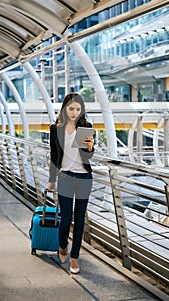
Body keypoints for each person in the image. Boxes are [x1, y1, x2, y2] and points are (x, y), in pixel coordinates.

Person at [47, 93, 94, 274]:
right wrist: (52, 180)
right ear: (65, 108)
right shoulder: (56, 128)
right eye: (71, 108)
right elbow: (54, 156)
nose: (75, 112)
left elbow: (87, 156)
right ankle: (62, 245)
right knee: (66, 218)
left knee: (80, 219)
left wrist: (90, 147)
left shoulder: (85, 127)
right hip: (65, 176)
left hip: (84, 178)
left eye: (78, 109)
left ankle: (75, 257)